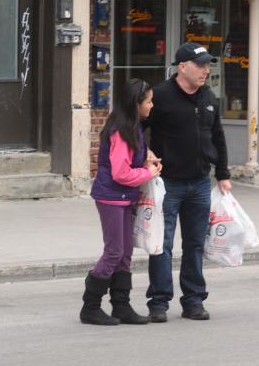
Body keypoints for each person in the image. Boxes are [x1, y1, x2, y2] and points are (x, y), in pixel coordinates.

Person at [146, 44, 231, 322]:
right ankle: (159, 302)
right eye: (201, 65)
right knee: (163, 244)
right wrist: (143, 153)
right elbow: (135, 127)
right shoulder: (160, 95)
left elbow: (217, 135)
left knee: (195, 244)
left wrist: (223, 173)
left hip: (199, 183)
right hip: (168, 183)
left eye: (208, 65)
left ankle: (193, 301)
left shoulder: (208, 96)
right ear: (182, 67)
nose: (207, 70)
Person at [82, 78, 162, 326]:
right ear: (135, 103)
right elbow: (120, 172)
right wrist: (148, 173)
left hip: (125, 197)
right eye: (149, 101)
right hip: (111, 196)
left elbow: (132, 159)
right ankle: (90, 307)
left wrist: (146, 159)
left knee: (125, 253)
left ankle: (121, 305)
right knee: (114, 251)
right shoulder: (120, 130)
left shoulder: (133, 126)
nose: (152, 105)